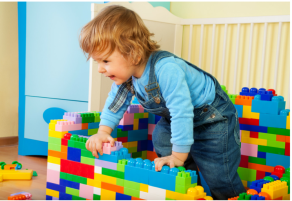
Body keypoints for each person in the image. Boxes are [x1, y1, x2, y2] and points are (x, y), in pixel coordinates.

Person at [79, 5, 245, 199]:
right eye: (97, 62)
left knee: (219, 174)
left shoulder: (166, 69)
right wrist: (103, 132)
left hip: (213, 118)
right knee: (161, 137)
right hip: (178, 118)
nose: (100, 69)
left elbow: (181, 112)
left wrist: (178, 156)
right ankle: (191, 189)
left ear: (133, 53)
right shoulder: (127, 78)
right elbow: (114, 105)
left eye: (105, 61)